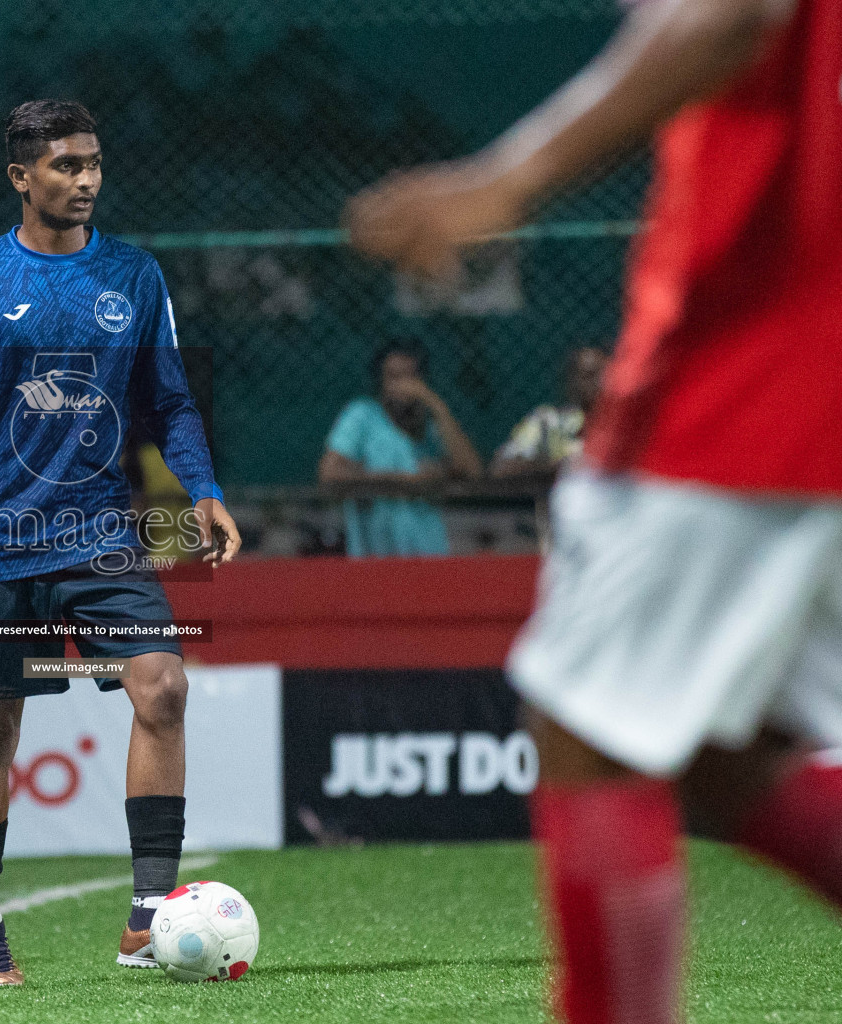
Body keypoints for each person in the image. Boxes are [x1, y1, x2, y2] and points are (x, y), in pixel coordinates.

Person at [347, 2, 841, 1022]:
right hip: (806, 346)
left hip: (741, 363)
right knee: (727, 750)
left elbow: (731, 15)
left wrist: (508, 176)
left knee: (587, 729)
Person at [0, 100, 239, 986]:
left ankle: (148, 919)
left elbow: (172, 402)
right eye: (66, 166)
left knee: (163, 686)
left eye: (93, 164)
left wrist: (205, 490)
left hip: (102, 536)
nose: (85, 180)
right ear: (21, 177)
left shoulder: (135, 276)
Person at [317, 341, 482, 556]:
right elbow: (330, 472)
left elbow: (472, 470)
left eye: (410, 376)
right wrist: (404, 480)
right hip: (375, 553)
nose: (403, 385)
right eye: (394, 377)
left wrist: (435, 404)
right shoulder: (363, 415)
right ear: (381, 381)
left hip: (428, 554)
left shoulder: (432, 425)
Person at [490, 346, 608, 478]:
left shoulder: (625, 426)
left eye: (606, 374)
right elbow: (501, 468)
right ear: (571, 382)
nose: (600, 382)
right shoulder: (547, 421)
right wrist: (561, 468)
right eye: (589, 375)